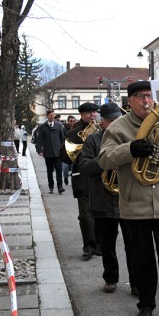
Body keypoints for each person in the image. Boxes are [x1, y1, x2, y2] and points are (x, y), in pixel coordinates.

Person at [98, 80, 159, 316]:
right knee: (142, 259)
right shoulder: (117, 127)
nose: (146, 101)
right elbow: (104, 159)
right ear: (130, 101)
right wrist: (131, 149)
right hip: (134, 204)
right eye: (139, 97)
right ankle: (146, 305)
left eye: (149, 96)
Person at [79, 102, 136, 295]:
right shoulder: (93, 140)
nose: (113, 124)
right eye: (109, 120)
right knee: (107, 244)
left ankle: (136, 282)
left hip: (128, 199)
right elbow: (84, 167)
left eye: (116, 120)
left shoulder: (128, 137)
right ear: (102, 122)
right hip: (103, 200)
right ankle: (110, 278)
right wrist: (106, 162)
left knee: (133, 245)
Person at [65, 105, 100, 259]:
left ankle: (100, 244)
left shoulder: (103, 128)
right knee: (85, 214)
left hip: (100, 174)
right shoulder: (74, 132)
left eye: (94, 112)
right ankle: (89, 246)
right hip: (82, 175)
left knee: (101, 212)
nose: (92, 115)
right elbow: (64, 156)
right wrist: (80, 150)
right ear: (81, 114)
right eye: (88, 113)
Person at [35, 109, 66, 194]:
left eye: (53, 115)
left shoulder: (59, 126)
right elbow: (39, 140)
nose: (52, 117)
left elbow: (62, 139)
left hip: (58, 152)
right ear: (47, 116)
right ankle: (51, 187)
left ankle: (60, 187)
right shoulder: (42, 127)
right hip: (48, 152)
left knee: (59, 170)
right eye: (50, 115)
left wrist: (63, 149)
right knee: (49, 170)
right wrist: (39, 150)